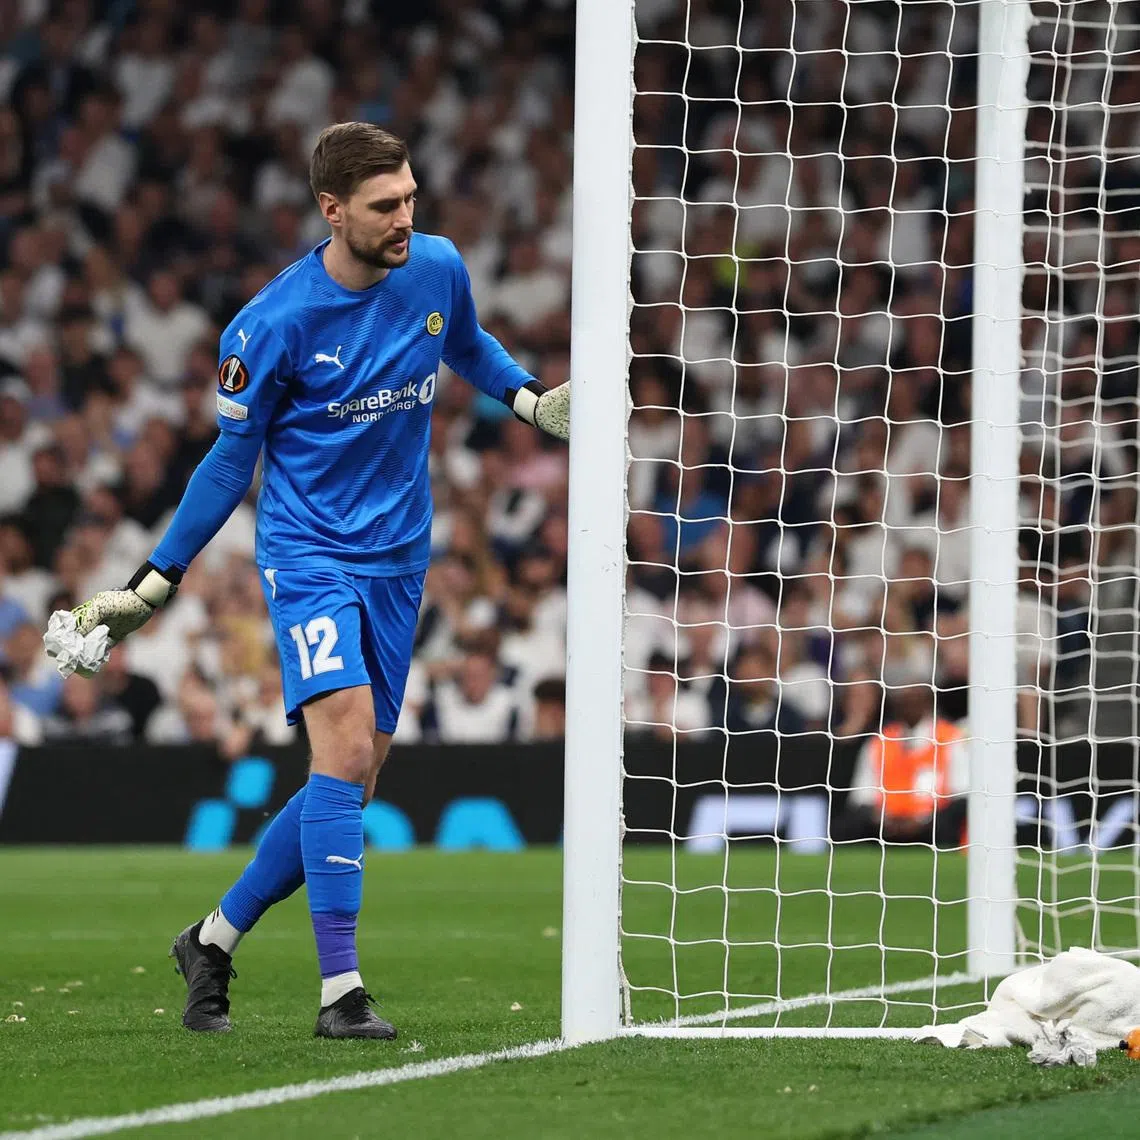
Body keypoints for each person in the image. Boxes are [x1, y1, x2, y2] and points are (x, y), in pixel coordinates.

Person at [45, 123, 570, 1040]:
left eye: (410, 197)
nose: (407, 217)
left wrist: (530, 397)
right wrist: (155, 581)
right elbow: (224, 466)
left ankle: (211, 939)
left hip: (402, 556)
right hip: (311, 555)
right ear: (333, 212)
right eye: (384, 206)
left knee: (356, 779)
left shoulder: (437, 265)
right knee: (344, 758)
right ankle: (341, 994)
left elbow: (469, 347)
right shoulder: (270, 325)